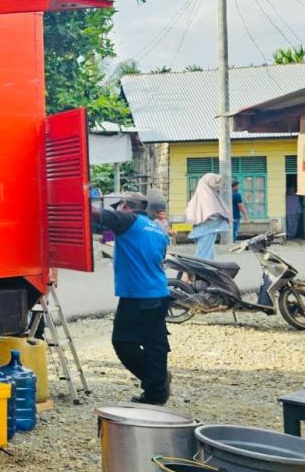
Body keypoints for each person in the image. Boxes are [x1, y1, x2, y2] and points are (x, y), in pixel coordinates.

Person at [92, 191, 172, 405]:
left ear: (126, 205)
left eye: (118, 205)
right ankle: (156, 394)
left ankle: (157, 381)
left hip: (138, 296)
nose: (117, 209)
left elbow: (94, 213)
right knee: (155, 344)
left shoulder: (128, 220)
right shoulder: (157, 228)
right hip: (159, 293)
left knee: (123, 342)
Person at [185, 173, 230, 260]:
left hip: (205, 228)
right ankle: (199, 269)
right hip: (207, 229)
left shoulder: (205, 193)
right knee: (204, 251)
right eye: (216, 182)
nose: (218, 185)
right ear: (209, 182)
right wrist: (222, 215)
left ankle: (208, 268)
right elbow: (211, 213)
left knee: (208, 249)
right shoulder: (207, 195)